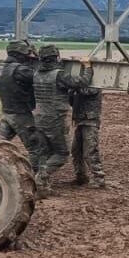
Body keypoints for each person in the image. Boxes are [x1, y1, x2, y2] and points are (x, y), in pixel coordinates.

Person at [31, 45, 89, 187]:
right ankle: (41, 177)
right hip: (55, 119)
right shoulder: (58, 75)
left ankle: (38, 183)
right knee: (62, 153)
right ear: (56, 57)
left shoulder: (36, 73)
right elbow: (81, 82)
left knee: (44, 152)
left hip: (39, 118)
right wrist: (88, 67)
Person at [0, 39, 45, 170]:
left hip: (6, 113)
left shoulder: (0, 68)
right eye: (25, 54)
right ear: (19, 54)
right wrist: (37, 59)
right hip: (21, 115)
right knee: (36, 148)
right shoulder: (20, 70)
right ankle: (37, 178)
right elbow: (40, 77)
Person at [69, 79, 107, 188]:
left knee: (90, 151)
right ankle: (81, 176)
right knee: (76, 151)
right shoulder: (79, 84)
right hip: (80, 120)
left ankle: (99, 178)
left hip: (90, 120)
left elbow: (86, 91)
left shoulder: (95, 83)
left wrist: (72, 85)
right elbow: (71, 101)